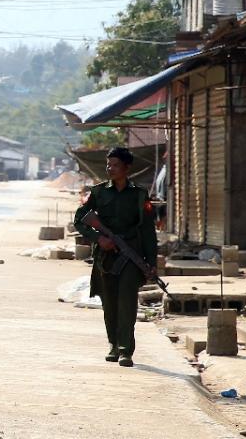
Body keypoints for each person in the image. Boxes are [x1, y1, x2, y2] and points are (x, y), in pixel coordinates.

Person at [74, 146, 157, 368]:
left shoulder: (139, 195)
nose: (110, 168)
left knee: (127, 303)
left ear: (127, 168)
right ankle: (113, 344)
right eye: (108, 164)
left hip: (131, 254)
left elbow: (148, 231)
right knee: (109, 302)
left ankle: (125, 350)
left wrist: (151, 262)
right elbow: (79, 219)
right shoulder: (99, 192)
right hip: (106, 256)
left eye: (115, 165)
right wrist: (98, 238)